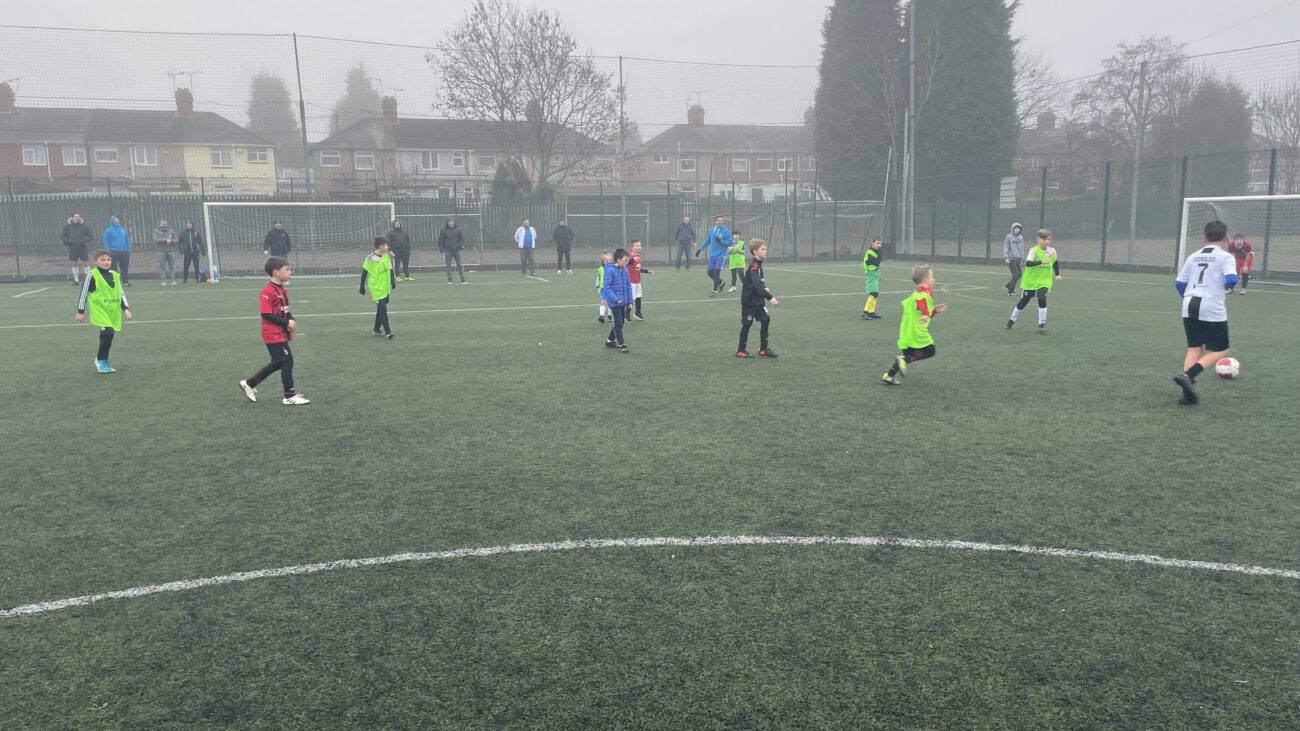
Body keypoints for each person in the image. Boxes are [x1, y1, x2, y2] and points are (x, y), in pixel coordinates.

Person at [1173, 220, 1238, 406]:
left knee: (1194, 348)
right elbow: (1232, 278)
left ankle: (1187, 393)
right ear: (1226, 238)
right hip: (1211, 304)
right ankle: (1189, 375)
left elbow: (1180, 283)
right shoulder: (1225, 257)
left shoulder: (1193, 256)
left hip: (1189, 303)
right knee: (1221, 349)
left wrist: (1188, 297)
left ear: (1204, 238)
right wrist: (1226, 288)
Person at [239, 257, 310, 405]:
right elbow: (266, 314)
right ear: (276, 272)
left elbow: (285, 310)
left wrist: (291, 319)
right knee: (287, 360)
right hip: (272, 333)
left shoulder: (282, 290)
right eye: (287, 269)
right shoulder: (267, 291)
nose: (290, 272)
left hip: (280, 332)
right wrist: (286, 322)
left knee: (278, 363)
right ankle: (289, 396)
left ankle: (250, 383)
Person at [881, 265, 948, 385]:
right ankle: (900, 362)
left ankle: (889, 375)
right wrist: (926, 313)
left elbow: (919, 308)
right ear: (925, 278)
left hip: (907, 329)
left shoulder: (918, 292)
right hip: (916, 330)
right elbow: (920, 302)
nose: (934, 279)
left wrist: (934, 311)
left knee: (908, 356)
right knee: (930, 350)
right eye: (932, 277)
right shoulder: (924, 291)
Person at [76, 249, 133, 373]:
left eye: (108, 259)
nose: (106, 262)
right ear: (96, 262)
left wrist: (126, 308)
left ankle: (103, 360)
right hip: (99, 310)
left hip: (112, 310)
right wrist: (80, 311)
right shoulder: (92, 275)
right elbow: (84, 293)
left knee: (110, 334)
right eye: (102, 260)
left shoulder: (115, 275)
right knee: (107, 332)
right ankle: (101, 360)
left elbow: (120, 293)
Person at [1006, 228, 1061, 334]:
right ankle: (1012, 319)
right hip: (1031, 281)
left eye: (1048, 239)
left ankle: (1041, 324)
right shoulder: (1034, 250)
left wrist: (1057, 274)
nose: (1046, 241)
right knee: (1025, 300)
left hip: (1044, 280)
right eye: (1044, 239)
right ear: (1038, 239)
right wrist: (1041, 261)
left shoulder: (1052, 251)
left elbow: (1055, 262)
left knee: (1042, 297)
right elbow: (1028, 263)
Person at [736, 239, 779, 358]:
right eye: (763, 249)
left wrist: (764, 287)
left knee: (766, 320)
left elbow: (759, 283)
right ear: (755, 252)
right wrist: (770, 297)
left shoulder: (759, 265)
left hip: (758, 301)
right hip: (749, 303)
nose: (765, 251)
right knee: (747, 325)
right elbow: (757, 285)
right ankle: (740, 350)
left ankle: (763, 349)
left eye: (765, 249)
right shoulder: (754, 266)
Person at [360, 237, 397, 339]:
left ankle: (376, 329)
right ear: (381, 246)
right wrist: (362, 286)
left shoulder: (386, 256)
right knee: (383, 308)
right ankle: (388, 331)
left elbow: (390, 269)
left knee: (380, 308)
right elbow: (364, 272)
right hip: (376, 287)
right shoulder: (370, 258)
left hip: (385, 286)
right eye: (386, 245)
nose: (387, 247)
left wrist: (392, 281)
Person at [599, 248, 632, 353]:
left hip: (623, 302)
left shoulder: (625, 270)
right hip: (615, 303)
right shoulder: (610, 270)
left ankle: (609, 340)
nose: (627, 262)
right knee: (618, 323)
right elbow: (607, 287)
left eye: (627, 260)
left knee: (621, 322)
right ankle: (622, 344)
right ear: (618, 260)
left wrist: (630, 301)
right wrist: (616, 299)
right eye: (625, 260)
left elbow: (628, 286)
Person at [695, 214, 733, 296]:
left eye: (721, 220)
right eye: (718, 220)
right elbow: (707, 241)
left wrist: (721, 241)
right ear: (715, 221)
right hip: (712, 255)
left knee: (716, 273)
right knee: (709, 273)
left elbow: (730, 243)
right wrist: (700, 249)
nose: (720, 222)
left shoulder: (726, 231)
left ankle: (714, 291)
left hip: (721, 255)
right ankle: (721, 283)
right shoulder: (712, 230)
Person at [62, 212, 94, 285]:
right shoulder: (67, 227)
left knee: (85, 263)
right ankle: (76, 280)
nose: (77, 218)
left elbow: (91, 236)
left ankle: (88, 280)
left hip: (82, 247)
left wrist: (83, 241)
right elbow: (63, 236)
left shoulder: (84, 226)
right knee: (74, 263)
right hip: (72, 248)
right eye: (75, 217)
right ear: (72, 218)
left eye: (78, 217)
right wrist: (69, 242)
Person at [626, 239, 654, 321]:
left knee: (638, 296)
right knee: (631, 299)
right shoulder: (631, 255)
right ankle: (626, 315)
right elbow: (626, 263)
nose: (639, 247)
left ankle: (638, 313)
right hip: (631, 281)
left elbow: (638, 269)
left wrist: (648, 271)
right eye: (637, 246)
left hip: (637, 281)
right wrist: (632, 259)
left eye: (640, 245)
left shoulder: (638, 256)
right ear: (632, 248)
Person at [102, 214, 132, 286]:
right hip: (113, 252)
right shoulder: (108, 230)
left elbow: (127, 240)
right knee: (113, 268)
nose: (117, 222)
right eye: (115, 221)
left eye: (118, 221)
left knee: (124, 267)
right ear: (112, 221)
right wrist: (108, 251)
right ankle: (114, 281)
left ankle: (125, 281)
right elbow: (106, 241)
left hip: (124, 252)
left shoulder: (123, 230)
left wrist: (128, 250)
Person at [438, 218, 467, 284]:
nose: (451, 223)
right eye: (449, 222)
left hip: (456, 251)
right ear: (447, 223)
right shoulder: (444, 230)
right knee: (448, 266)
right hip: (447, 251)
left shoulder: (458, 230)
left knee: (459, 265)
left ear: (454, 223)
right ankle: (450, 280)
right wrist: (441, 250)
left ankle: (463, 280)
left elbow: (462, 239)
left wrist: (459, 246)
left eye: (452, 222)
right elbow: (441, 241)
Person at [862, 236, 884, 320]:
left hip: (875, 276)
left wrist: (878, 276)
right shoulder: (870, 252)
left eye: (880, 243)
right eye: (877, 243)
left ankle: (871, 312)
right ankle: (865, 312)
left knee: (875, 294)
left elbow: (877, 264)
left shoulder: (875, 252)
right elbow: (876, 263)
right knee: (873, 294)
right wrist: (880, 253)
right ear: (872, 243)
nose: (879, 245)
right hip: (871, 275)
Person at [1002, 223, 1026, 296]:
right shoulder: (1008, 237)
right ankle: (1011, 291)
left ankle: (1009, 285)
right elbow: (1006, 247)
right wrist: (1006, 258)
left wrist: (1021, 258)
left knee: (1020, 274)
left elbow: (1022, 248)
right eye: (1015, 228)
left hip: (1018, 258)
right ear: (1012, 229)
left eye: (1018, 228)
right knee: (1015, 274)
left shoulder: (1021, 237)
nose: (1017, 230)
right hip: (1011, 259)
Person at [153, 219, 178, 286]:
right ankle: (163, 281)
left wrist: (171, 241)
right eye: (162, 224)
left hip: (171, 251)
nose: (164, 225)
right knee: (162, 267)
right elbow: (155, 240)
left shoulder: (171, 231)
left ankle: (173, 281)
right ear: (160, 224)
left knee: (172, 266)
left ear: (167, 224)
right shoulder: (156, 231)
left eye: (165, 223)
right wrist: (165, 240)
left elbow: (176, 240)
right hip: (161, 251)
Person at [595, 250, 613, 323]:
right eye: (607, 261)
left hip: (611, 288)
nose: (608, 262)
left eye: (610, 261)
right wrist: (597, 284)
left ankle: (610, 316)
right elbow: (599, 277)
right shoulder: (600, 269)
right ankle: (601, 316)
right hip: (603, 288)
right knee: (603, 302)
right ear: (603, 261)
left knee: (610, 303)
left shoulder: (612, 269)